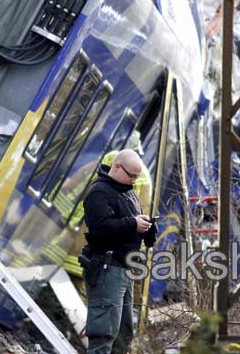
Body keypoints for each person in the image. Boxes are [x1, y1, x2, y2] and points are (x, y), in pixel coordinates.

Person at [80, 149, 157, 354]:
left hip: (124, 269)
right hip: (107, 267)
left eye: (136, 177)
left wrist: (147, 228)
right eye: (131, 175)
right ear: (116, 167)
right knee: (103, 332)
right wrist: (133, 223)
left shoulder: (128, 192)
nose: (134, 181)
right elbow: (101, 227)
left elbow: (128, 227)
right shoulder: (100, 192)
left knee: (123, 334)